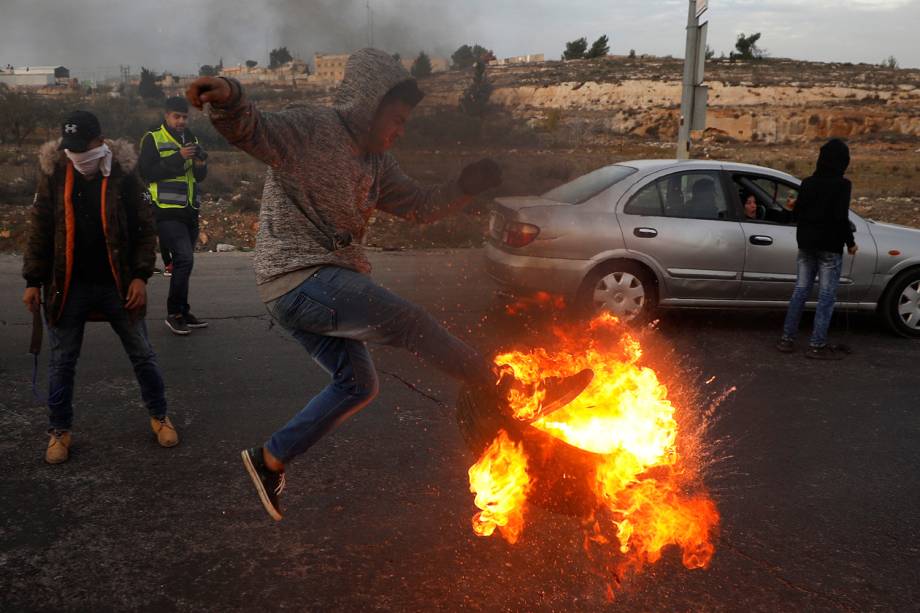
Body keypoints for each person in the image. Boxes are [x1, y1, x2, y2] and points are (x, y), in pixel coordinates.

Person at [186, 48, 592, 521]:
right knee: (407, 319)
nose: (400, 130)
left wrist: (464, 185)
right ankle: (510, 390)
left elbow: (419, 206)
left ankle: (269, 459)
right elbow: (251, 128)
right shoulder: (311, 128)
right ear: (367, 105)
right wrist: (230, 94)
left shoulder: (378, 164)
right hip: (299, 276)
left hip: (317, 286)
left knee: (359, 384)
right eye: (395, 118)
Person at [22, 110, 178, 464]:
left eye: (82, 146)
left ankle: (159, 416)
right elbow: (40, 228)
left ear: (99, 141)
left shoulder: (122, 173)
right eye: (70, 147)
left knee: (142, 355)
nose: (76, 154)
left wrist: (140, 275)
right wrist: (33, 281)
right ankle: (59, 431)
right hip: (67, 285)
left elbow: (143, 226)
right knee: (62, 362)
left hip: (118, 283)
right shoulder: (55, 172)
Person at [777, 138, 857, 359]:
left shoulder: (808, 183)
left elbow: (798, 212)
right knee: (826, 296)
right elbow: (841, 218)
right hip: (830, 248)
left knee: (800, 291)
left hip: (806, 245)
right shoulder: (843, 185)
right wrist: (850, 243)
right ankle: (816, 344)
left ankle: (787, 339)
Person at [138, 96, 208, 335]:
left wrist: (200, 162)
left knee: (184, 264)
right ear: (166, 115)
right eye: (177, 116)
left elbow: (199, 177)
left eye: (185, 117)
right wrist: (179, 157)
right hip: (166, 211)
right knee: (184, 259)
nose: (181, 121)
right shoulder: (152, 139)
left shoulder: (192, 139)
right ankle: (174, 314)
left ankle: (183, 311)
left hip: (189, 210)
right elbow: (146, 172)